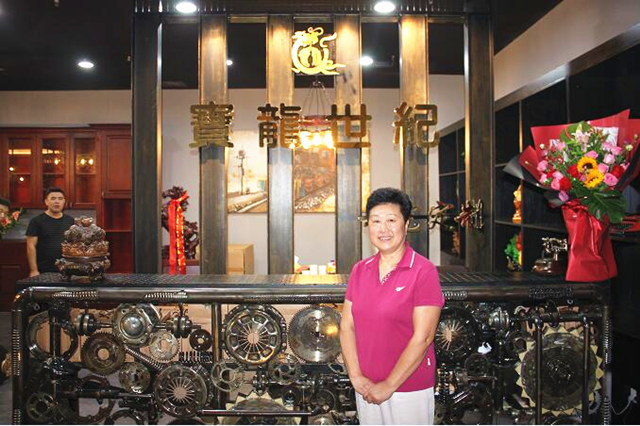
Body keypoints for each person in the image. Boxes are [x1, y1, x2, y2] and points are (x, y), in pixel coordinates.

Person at [340, 187, 444, 425]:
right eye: (376, 221)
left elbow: (424, 337)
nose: (383, 229)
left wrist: (389, 385)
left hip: (409, 389)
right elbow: (347, 326)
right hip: (366, 387)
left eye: (391, 220)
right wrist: (355, 377)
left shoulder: (423, 271)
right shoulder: (360, 270)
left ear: (406, 225)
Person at [26, 187, 74, 276]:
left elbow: (74, 245)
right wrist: (33, 270)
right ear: (46, 202)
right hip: (43, 269)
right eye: (53, 198)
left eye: (60, 199)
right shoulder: (36, 221)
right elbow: (30, 246)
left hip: (66, 269)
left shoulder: (70, 221)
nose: (57, 201)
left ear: (64, 202)